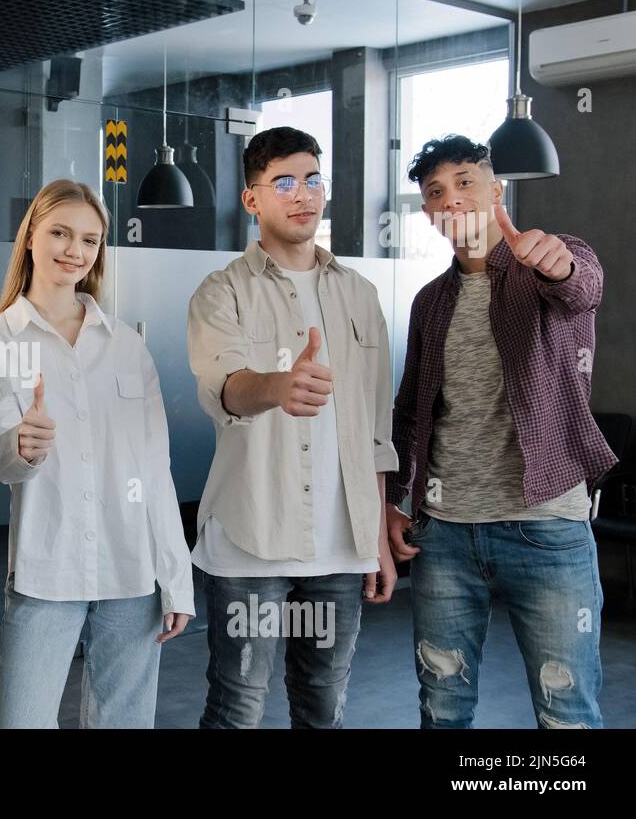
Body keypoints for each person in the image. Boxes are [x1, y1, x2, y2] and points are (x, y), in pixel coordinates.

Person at [385, 135, 615, 729]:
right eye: (436, 192)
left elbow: (581, 286)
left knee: (567, 712)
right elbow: (410, 408)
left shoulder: (551, 264)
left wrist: (556, 264)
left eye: (465, 182)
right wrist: (393, 500)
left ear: (496, 190)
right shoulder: (430, 301)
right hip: (446, 539)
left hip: (546, 529)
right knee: (441, 706)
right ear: (430, 214)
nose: (451, 199)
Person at [0, 178, 194, 728]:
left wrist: (176, 577)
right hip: (48, 569)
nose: (74, 250)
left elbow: (155, 470)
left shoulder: (126, 344)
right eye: (61, 233)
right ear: (30, 239)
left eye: (90, 240)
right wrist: (23, 445)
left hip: (131, 571)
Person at [187, 126, 397, 729]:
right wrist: (277, 386)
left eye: (312, 178)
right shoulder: (220, 291)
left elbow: (375, 430)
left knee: (323, 706)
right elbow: (224, 388)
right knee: (238, 708)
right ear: (252, 200)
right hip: (251, 538)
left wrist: (376, 536)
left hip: (340, 543)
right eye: (283, 181)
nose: (302, 193)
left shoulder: (360, 294)